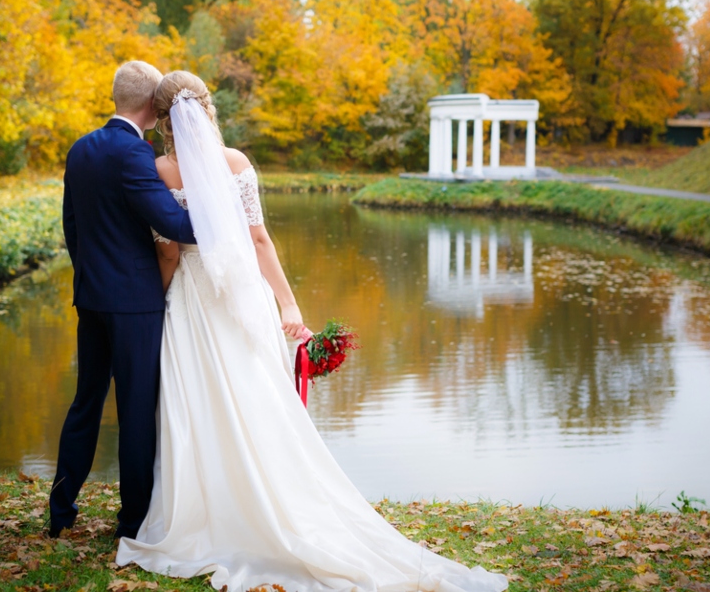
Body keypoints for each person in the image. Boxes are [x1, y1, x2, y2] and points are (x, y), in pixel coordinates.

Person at [114, 70, 509, 592]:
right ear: (207, 108)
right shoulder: (237, 163)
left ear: (162, 118)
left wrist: (162, 298)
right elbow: (259, 241)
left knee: (198, 404)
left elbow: (168, 250)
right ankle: (276, 498)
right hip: (242, 297)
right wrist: (288, 302)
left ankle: (208, 511)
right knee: (259, 400)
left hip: (192, 300)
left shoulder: (161, 169)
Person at [49, 61, 197, 540]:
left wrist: (89, 278)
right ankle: (132, 522)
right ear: (152, 104)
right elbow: (172, 225)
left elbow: (72, 227)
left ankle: (61, 510)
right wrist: (227, 226)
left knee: (85, 403)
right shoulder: (133, 154)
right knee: (136, 411)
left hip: (91, 298)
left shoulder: (81, 149)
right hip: (135, 304)